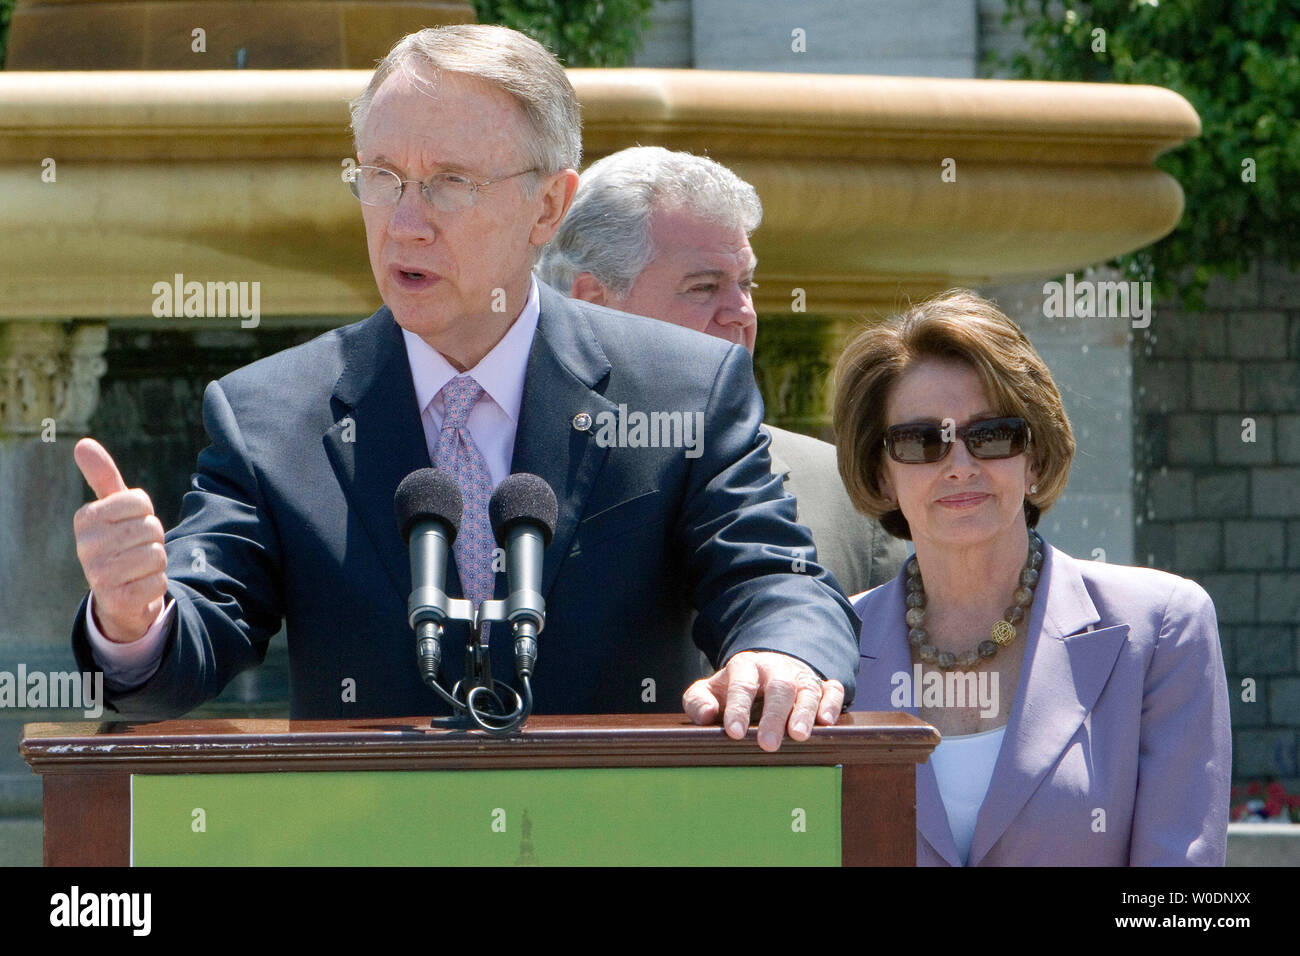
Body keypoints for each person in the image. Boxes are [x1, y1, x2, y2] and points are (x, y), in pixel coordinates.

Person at [69, 24, 861, 752]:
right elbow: (185, 646)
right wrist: (135, 618)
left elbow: (774, 577)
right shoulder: (271, 415)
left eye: (449, 183)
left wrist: (779, 652)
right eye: (382, 178)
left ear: (548, 204)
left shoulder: (682, 390)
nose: (405, 222)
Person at [833, 289, 1230, 864]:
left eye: (991, 435)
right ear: (883, 473)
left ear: (1035, 457)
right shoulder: (831, 646)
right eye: (922, 441)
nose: (959, 465)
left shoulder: (1162, 626)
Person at [537, 146, 905, 595]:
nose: (742, 312)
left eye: (745, 283)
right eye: (704, 287)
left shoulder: (841, 488)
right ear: (592, 302)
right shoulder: (506, 470)